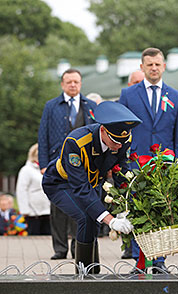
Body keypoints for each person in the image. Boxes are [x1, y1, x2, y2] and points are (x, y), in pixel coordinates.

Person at [42, 101, 140, 274]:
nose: (119, 146)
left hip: (92, 182)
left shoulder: (122, 139)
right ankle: (84, 274)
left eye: (122, 142)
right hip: (61, 183)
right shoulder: (76, 142)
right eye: (115, 141)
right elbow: (80, 188)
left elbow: (122, 173)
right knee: (85, 217)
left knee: (93, 221)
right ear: (103, 130)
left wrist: (125, 207)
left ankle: (94, 273)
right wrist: (111, 220)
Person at [119, 47, 178, 269]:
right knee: (139, 210)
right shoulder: (128, 95)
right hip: (137, 162)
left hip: (165, 164)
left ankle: (159, 260)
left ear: (164, 66)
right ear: (142, 67)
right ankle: (140, 261)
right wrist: (122, 162)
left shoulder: (176, 96)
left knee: (162, 211)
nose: (154, 68)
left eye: (157, 64)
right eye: (149, 64)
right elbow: (121, 131)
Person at [38, 68, 96, 259]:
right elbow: (43, 136)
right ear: (62, 84)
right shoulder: (51, 106)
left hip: (83, 165)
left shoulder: (90, 105)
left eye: (76, 82)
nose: (73, 85)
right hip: (56, 165)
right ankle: (60, 249)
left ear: (81, 84)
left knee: (80, 205)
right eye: (69, 82)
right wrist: (44, 164)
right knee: (58, 209)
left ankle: (76, 248)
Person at [15, 143, 50, 236]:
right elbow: (21, 190)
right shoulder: (26, 170)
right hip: (33, 213)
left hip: (48, 211)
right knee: (34, 238)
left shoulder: (49, 169)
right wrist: (25, 210)